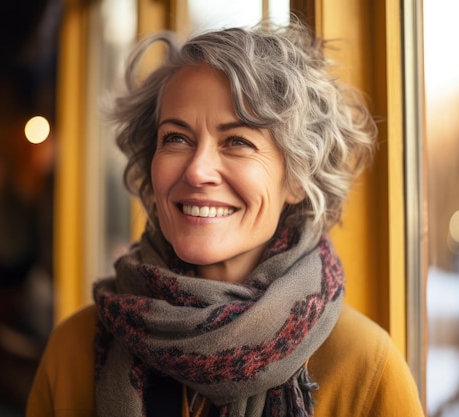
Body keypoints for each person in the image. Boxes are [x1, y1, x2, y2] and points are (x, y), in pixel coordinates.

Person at [26, 20, 424, 417]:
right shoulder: (73, 350)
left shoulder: (364, 368)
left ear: (297, 178)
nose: (198, 171)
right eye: (176, 138)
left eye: (237, 142)